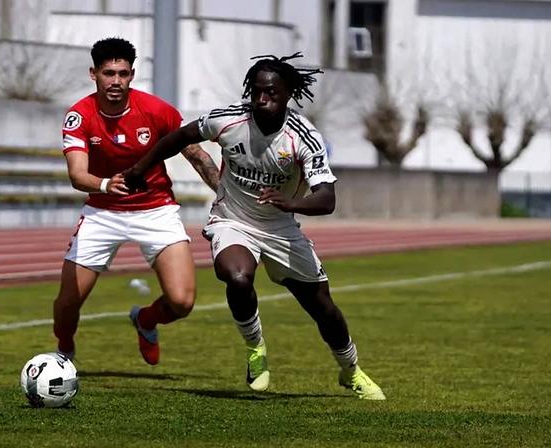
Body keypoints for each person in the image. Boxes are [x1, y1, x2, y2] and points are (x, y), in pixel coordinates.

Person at [123, 52, 385, 399]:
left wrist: (291, 204)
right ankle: (255, 348)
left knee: (322, 307)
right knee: (237, 276)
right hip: (233, 221)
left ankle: (350, 370)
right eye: (257, 91)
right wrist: (139, 169)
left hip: (281, 229)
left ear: (288, 94)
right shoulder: (229, 120)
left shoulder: (303, 137)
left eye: (271, 93)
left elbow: (327, 198)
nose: (262, 99)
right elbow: (180, 136)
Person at [53, 37, 219, 365]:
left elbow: (197, 156)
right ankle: (64, 352)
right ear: (93, 74)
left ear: (132, 75)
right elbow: (77, 175)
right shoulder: (80, 116)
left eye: (123, 74)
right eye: (108, 73)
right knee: (67, 303)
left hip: (156, 210)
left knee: (182, 302)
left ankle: (146, 319)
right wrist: (105, 184)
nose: (116, 81)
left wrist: (224, 194)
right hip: (102, 212)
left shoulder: (157, 111)